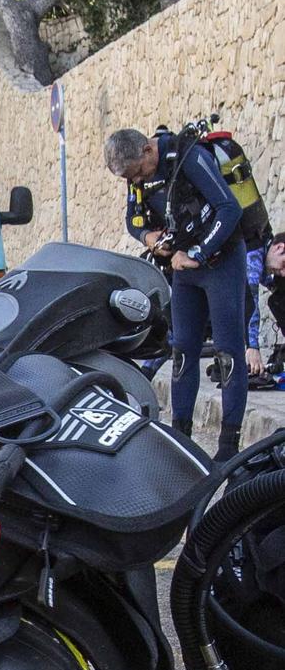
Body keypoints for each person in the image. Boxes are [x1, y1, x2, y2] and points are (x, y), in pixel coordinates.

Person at [106, 124, 248, 461]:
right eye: (131, 178)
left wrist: (197, 253)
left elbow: (230, 209)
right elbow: (133, 218)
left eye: (139, 172)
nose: (137, 181)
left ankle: (228, 447)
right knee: (182, 351)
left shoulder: (191, 158)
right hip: (183, 269)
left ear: (147, 151)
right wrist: (150, 240)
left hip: (221, 262)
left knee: (228, 354)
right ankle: (180, 437)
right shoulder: (137, 175)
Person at [246, 231, 285, 378]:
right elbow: (250, 300)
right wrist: (252, 347)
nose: (283, 272)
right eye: (284, 264)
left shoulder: (266, 249)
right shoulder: (254, 254)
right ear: (279, 248)